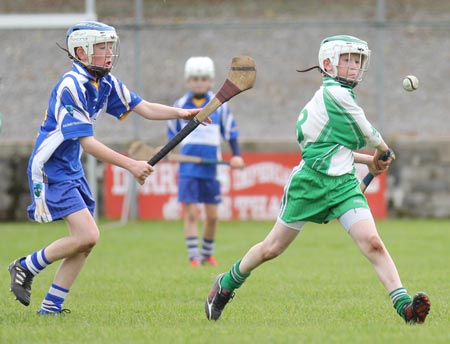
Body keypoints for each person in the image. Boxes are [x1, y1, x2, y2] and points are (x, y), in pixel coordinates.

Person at [205, 35, 430, 324]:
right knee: (271, 249)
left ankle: (405, 309)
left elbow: (341, 149)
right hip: (309, 183)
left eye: (359, 60)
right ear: (328, 63)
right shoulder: (334, 95)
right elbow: (367, 132)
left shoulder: (342, 97)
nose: (355, 66)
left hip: (343, 184)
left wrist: (371, 163)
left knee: (373, 243)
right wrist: (382, 151)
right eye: (348, 59)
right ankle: (225, 285)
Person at [8, 21, 203, 315]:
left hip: (70, 167)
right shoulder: (70, 86)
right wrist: (131, 165)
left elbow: (144, 107)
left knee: (84, 243)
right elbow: (89, 144)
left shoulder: (105, 81)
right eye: (101, 47)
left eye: (110, 46)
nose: (109, 53)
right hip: (51, 169)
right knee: (88, 236)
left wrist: (183, 112)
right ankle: (25, 266)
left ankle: (51, 308)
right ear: (81, 52)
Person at [167, 57, 244, 267]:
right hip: (188, 168)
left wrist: (236, 155)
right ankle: (194, 257)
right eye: (194, 79)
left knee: (212, 215)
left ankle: (207, 254)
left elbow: (231, 133)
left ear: (210, 81)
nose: (199, 83)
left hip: (212, 166)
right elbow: (173, 136)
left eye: (203, 79)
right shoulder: (180, 106)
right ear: (188, 81)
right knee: (191, 213)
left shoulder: (219, 105)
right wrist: (166, 151)